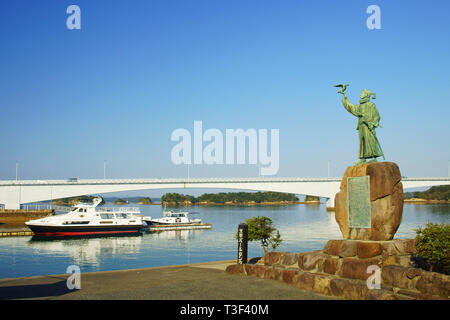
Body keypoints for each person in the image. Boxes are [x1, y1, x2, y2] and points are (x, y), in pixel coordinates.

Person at [340, 88, 384, 164]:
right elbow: (351, 107)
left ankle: (374, 157)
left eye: (362, 93)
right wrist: (344, 96)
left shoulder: (371, 105)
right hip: (361, 126)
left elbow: (377, 116)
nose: (361, 94)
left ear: (366, 95)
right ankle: (362, 158)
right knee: (362, 141)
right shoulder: (359, 106)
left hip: (369, 125)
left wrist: (373, 123)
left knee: (370, 140)